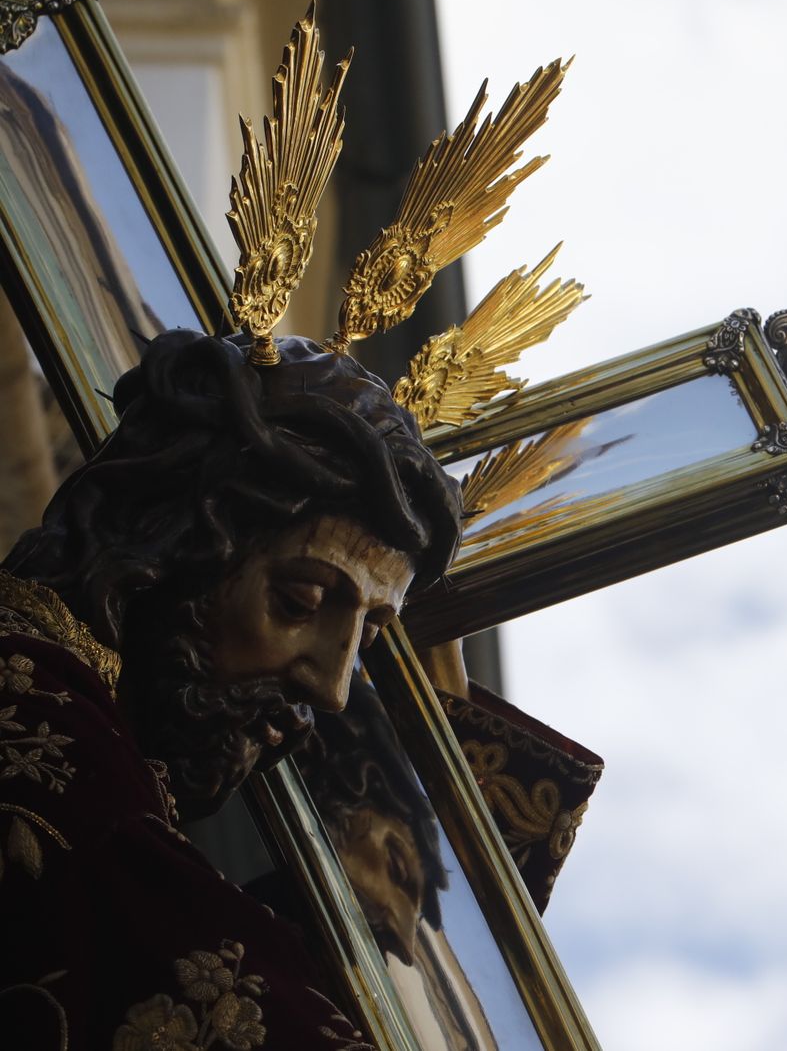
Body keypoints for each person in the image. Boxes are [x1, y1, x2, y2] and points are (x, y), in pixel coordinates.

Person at [0, 329, 460, 1049]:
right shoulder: (36, 722)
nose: (333, 689)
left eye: (367, 638)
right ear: (170, 543)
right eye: (301, 602)